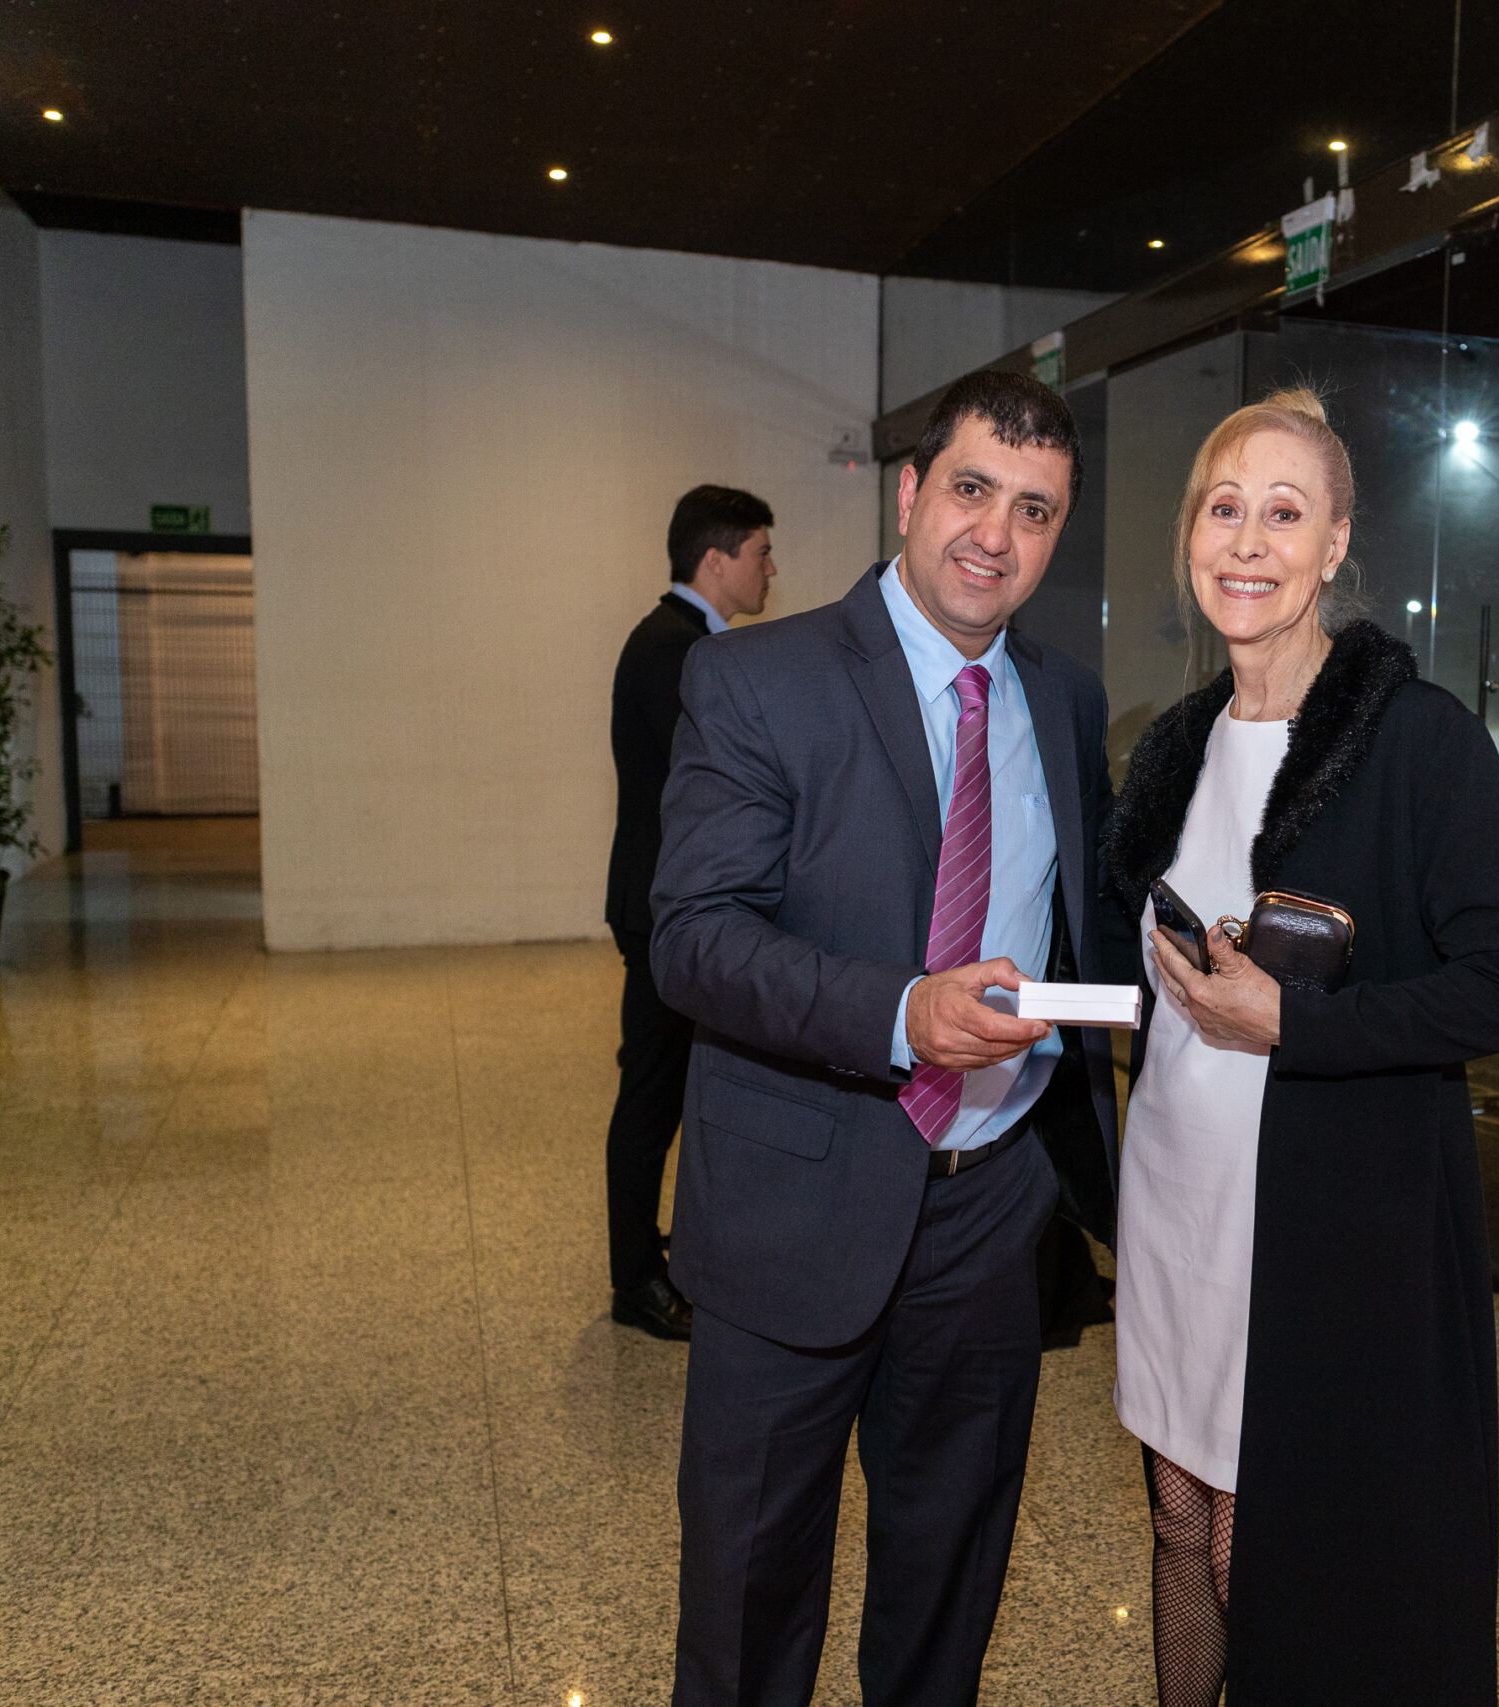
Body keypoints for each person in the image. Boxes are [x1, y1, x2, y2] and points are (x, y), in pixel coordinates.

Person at [648, 370, 1122, 1707]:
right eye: (972, 489)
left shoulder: (1067, 700)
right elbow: (694, 937)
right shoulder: (757, 677)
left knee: (946, 1596)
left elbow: (1077, 919)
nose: (996, 535)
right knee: (748, 1609)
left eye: (1035, 509)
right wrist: (900, 1011)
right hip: (794, 1201)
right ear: (910, 493)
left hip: (990, 1214)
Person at [1102, 389, 1499, 1707]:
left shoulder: (1416, 742)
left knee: (1272, 1557)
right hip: (1177, 1204)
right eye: (1223, 508)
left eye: (1284, 513)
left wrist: (1295, 1023)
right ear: (1191, 535)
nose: (1248, 542)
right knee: (1179, 1523)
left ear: (1337, 542)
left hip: (1320, 1234)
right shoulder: (1174, 745)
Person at [602, 484, 776, 1340]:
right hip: (662, 908)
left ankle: (646, 1250)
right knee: (651, 1093)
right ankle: (634, 1278)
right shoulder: (678, 652)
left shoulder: (677, 641)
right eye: (760, 553)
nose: (770, 570)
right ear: (716, 560)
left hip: (658, 899)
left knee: (663, 1085)